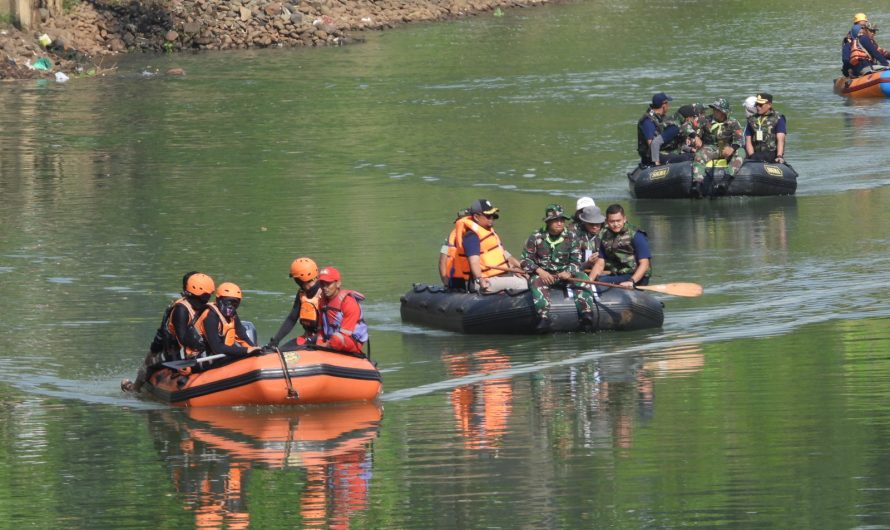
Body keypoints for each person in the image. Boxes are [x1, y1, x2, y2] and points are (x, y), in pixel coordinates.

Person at [122, 271, 216, 392]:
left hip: (190, 348)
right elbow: (176, 336)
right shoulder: (181, 309)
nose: (207, 298)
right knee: (149, 363)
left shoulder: (204, 308)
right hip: (169, 346)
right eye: (205, 295)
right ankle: (135, 388)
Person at [519, 204, 596, 332]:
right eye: (556, 220)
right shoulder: (536, 236)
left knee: (583, 277)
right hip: (544, 275)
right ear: (548, 222)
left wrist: (569, 272)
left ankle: (586, 314)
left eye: (562, 220)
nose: (560, 223)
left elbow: (576, 261)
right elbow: (525, 260)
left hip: (566, 275)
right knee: (535, 282)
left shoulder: (572, 237)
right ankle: (543, 317)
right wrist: (540, 271)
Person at [440, 199, 527, 293]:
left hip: (496, 275)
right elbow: (472, 262)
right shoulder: (469, 237)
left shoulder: (489, 233)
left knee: (528, 278)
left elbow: (505, 255)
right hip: (479, 281)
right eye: (488, 216)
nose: (492, 219)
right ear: (475, 217)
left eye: (493, 216)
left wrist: (521, 269)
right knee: (525, 283)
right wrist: (479, 279)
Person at [690, 98, 744, 198]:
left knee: (741, 152)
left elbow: (739, 140)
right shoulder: (705, 120)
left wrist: (732, 148)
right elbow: (687, 126)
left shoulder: (733, 123)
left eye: (717, 110)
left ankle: (726, 180)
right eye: (714, 109)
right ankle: (697, 184)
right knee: (700, 154)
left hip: (727, 148)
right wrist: (695, 137)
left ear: (724, 112)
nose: (714, 111)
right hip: (711, 147)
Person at [266, 257, 323, 351]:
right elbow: (292, 319)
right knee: (279, 352)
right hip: (307, 337)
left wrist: (314, 339)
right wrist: (275, 341)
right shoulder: (302, 293)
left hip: (321, 340)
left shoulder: (324, 293)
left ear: (300, 279)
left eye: (296, 279)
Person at [195, 282, 262, 359]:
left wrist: (254, 349)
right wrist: (246, 350)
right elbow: (217, 348)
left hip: (222, 354)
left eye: (235, 303)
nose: (231, 306)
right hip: (204, 358)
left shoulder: (233, 315)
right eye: (229, 302)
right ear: (219, 300)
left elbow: (242, 336)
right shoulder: (210, 316)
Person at [590, 204, 652, 288]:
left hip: (636, 275)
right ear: (607, 221)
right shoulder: (605, 235)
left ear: (624, 219)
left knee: (601, 282)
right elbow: (600, 263)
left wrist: (631, 281)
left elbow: (644, 264)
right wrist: (589, 281)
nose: (615, 224)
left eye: (618, 220)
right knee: (597, 280)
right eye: (612, 221)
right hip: (618, 273)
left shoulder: (636, 235)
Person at [315, 267, 369, 355]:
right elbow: (321, 328)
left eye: (328, 284)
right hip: (330, 339)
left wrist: (323, 346)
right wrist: (319, 340)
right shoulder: (322, 301)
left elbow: (345, 334)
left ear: (338, 283)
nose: (324, 287)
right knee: (312, 337)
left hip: (350, 340)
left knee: (337, 339)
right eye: (322, 284)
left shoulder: (348, 302)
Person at [637, 92, 684, 167]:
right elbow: (651, 143)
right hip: (651, 155)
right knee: (683, 158)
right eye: (667, 103)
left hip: (662, 150)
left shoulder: (661, 117)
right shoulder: (648, 121)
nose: (668, 106)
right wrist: (657, 164)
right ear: (664, 105)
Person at [745, 93, 787, 164]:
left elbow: (781, 140)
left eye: (761, 105)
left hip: (772, 154)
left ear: (769, 105)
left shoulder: (778, 118)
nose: (758, 107)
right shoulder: (751, 119)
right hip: (756, 154)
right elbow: (748, 141)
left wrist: (779, 156)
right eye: (756, 104)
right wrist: (752, 156)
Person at [575, 205, 605, 274]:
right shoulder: (575, 236)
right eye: (591, 224)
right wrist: (587, 263)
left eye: (597, 224)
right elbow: (571, 264)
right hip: (581, 271)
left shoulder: (607, 235)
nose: (594, 227)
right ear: (584, 222)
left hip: (602, 272)